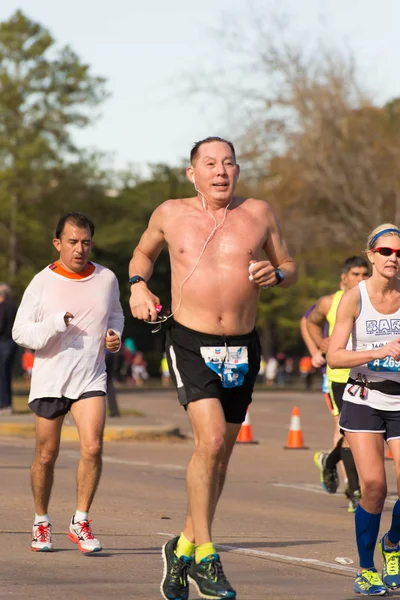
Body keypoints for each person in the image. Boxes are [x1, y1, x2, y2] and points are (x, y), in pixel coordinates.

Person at [128, 136, 298, 600]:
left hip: (242, 345)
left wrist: (278, 274)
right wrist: (138, 286)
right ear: (193, 173)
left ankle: (181, 545)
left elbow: (288, 263)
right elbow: (142, 254)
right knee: (213, 441)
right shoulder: (170, 212)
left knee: (219, 457)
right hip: (189, 340)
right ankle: (206, 554)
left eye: (228, 163)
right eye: (210, 163)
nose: (220, 171)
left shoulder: (259, 213)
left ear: (238, 170)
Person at [12, 212, 124, 553]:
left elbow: (116, 313)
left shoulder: (106, 279)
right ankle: (41, 522)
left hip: (90, 376)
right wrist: (55, 324)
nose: (80, 249)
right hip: (50, 379)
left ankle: (80, 521)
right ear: (57, 243)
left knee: (92, 446)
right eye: (73, 242)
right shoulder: (42, 282)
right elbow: (20, 332)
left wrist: (115, 335)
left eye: (86, 242)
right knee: (46, 454)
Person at [327, 224, 400, 595]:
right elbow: (334, 355)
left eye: (399, 253)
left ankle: (393, 544)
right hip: (364, 398)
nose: (393, 258)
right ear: (371, 254)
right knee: (373, 486)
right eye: (385, 251)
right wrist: (379, 350)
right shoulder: (354, 298)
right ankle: (367, 569)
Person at [307, 256, 369, 512]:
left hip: (368, 375)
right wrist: (317, 346)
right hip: (339, 377)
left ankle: (329, 461)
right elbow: (310, 321)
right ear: (344, 278)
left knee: (360, 434)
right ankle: (355, 492)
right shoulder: (329, 302)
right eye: (356, 274)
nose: (361, 279)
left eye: (365, 274)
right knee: (347, 432)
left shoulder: (375, 299)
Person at [0, 283, 18, 415]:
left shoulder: (3, 307)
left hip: (3, 342)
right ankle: (8, 404)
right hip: (13, 342)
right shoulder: (14, 306)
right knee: (6, 373)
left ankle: (4, 404)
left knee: (2, 374)